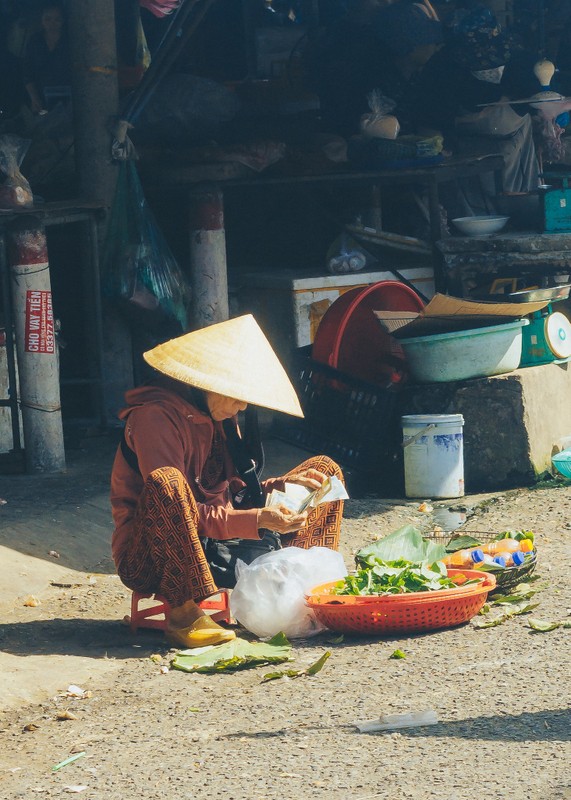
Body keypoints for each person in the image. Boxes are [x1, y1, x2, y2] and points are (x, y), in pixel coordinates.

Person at [110, 315, 345, 649]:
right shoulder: (155, 417)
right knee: (168, 482)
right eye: (236, 396)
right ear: (206, 383)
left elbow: (232, 492)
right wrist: (258, 519)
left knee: (325, 471)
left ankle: (302, 597)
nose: (243, 405)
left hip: (221, 549)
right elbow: (180, 506)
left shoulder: (220, 415)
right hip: (153, 559)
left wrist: (278, 489)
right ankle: (183, 616)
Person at [411, 5, 539, 214]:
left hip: (514, 154)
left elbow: (542, 99)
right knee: (473, 217)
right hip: (464, 159)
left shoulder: (519, 60)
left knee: (520, 210)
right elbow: (429, 120)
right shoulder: (440, 70)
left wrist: (550, 116)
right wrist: (440, 146)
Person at [23, 1, 70, 114]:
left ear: (63, 21)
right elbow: (27, 72)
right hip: (41, 98)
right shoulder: (34, 41)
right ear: (41, 20)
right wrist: (34, 98)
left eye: (57, 19)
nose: (52, 24)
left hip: (70, 99)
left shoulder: (71, 41)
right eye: (47, 19)